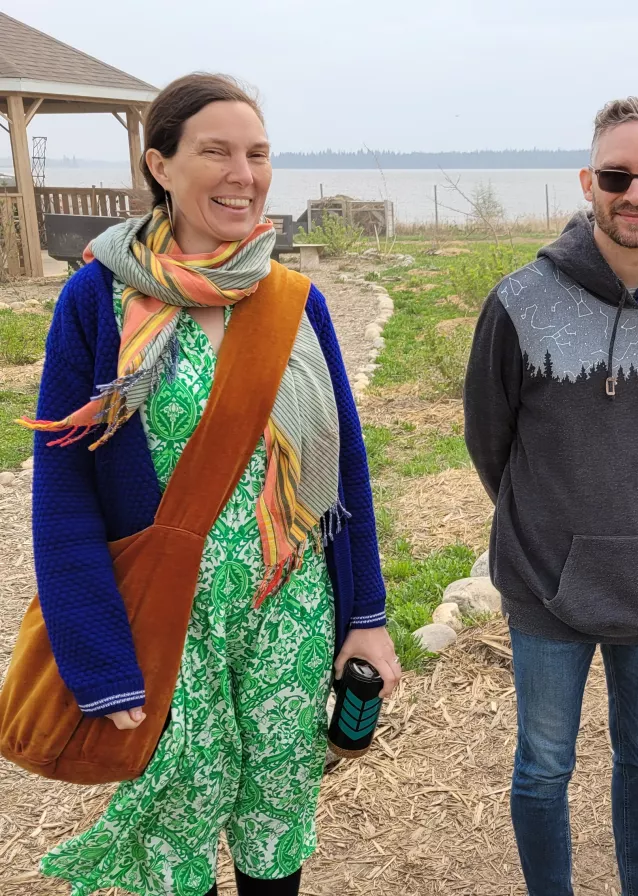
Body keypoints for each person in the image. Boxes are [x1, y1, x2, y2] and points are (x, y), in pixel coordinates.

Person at [24, 74, 397, 896]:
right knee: (178, 810)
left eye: (257, 154)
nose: (243, 173)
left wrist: (365, 616)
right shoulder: (98, 296)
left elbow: (345, 470)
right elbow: (62, 489)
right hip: (164, 613)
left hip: (288, 606)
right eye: (216, 152)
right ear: (160, 165)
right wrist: (97, 657)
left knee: (276, 806)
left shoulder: (294, 301)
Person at [463, 97, 638, 896]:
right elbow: (491, 438)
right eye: (617, 175)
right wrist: (553, 522)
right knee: (544, 764)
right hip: (549, 584)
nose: (634, 193)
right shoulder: (521, 302)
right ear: (588, 181)